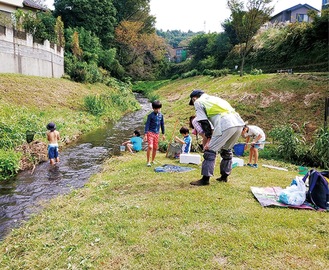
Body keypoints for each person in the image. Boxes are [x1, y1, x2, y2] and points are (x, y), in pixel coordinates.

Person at [189, 90, 245, 185]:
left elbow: (204, 122)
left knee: (210, 150)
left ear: (194, 98)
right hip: (238, 124)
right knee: (226, 149)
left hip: (225, 124)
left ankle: (205, 179)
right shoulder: (216, 98)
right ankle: (224, 177)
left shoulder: (198, 102)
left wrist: (209, 140)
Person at [144, 100, 165, 166]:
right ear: (153, 108)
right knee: (150, 146)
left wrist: (163, 134)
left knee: (155, 148)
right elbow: (147, 125)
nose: (158, 110)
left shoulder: (161, 115)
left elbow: (162, 125)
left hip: (157, 133)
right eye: (156, 109)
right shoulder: (150, 116)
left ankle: (152, 160)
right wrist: (145, 134)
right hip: (150, 133)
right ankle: (148, 161)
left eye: (159, 108)